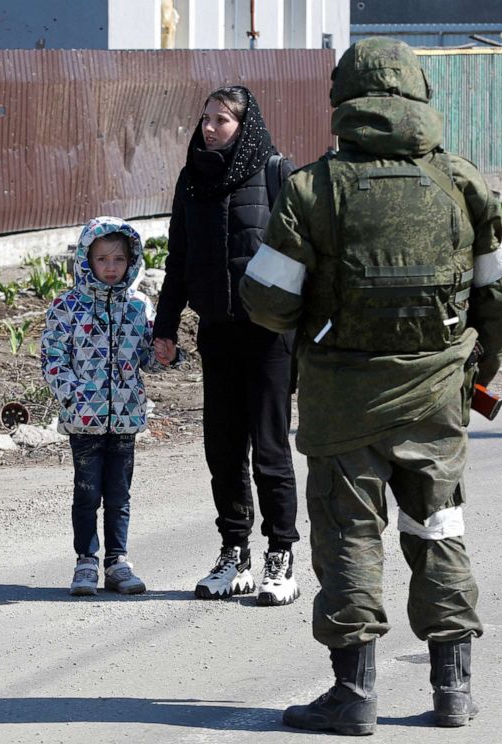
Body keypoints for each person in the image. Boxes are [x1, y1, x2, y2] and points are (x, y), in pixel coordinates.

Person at [239, 38, 502, 735]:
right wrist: (471, 372)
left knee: (347, 536)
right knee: (439, 530)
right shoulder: (464, 182)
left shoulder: (313, 188)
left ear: (344, 102)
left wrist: (317, 321)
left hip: (343, 401)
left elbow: (265, 300)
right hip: (437, 400)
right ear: (419, 97)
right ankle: (453, 692)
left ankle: (354, 696)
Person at [153, 85, 301, 606]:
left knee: (270, 449)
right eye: (206, 118)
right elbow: (179, 259)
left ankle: (280, 554)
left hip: (269, 336)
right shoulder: (193, 180)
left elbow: (304, 257)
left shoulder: (279, 174)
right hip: (217, 331)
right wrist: (165, 327)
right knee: (222, 449)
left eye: (222, 120)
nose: (210, 128)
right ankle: (233, 553)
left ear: (245, 125)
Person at [42, 217, 162, 596]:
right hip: (83, 420)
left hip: (126, 417)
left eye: (119, 260)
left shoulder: (138, 306)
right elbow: (52, 357)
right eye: (102, 259)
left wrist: (167, 354)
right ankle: (86, 561)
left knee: (119, 494)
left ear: (131, 261)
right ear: (86, 261)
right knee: (87, 492)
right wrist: (73, 394)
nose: (111, 268)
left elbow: (149, 358)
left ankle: (118, 562)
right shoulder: (67, 305)